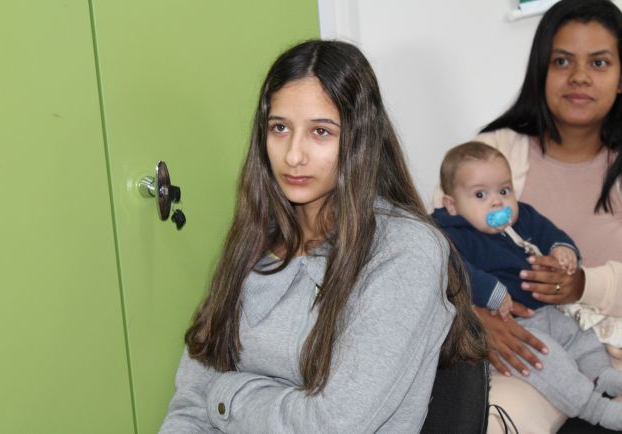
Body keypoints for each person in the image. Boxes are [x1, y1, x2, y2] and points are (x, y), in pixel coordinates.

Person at [159, 40, 485, 433]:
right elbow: (191, 404)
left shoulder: (404, 250)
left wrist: (228, 396)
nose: (293, 155)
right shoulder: (253, 242)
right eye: (280, 128)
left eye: (320, 131)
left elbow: (333, 424)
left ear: (360, 139)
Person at [432, 0, 622, 431]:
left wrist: (583, 284)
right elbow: (430, 254)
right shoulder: (491, 151)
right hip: (518, 351)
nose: (579, 76)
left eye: (599, 62)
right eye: (562, 61)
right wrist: (472, 317)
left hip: (608, 354)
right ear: (541, 71)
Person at [432, 141, 622, 431]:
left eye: (504, 191)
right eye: (481, 194)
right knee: (546, 358)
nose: (497, 202)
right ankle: (596, 409)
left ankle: (602, 376)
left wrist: (563, 250)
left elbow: (551, 233)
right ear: (452, 205)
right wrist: (491, 291)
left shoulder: (524, 217)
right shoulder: (448, 233)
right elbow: (452, 270)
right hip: (508, 326)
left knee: (583, 337)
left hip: (546, 311)